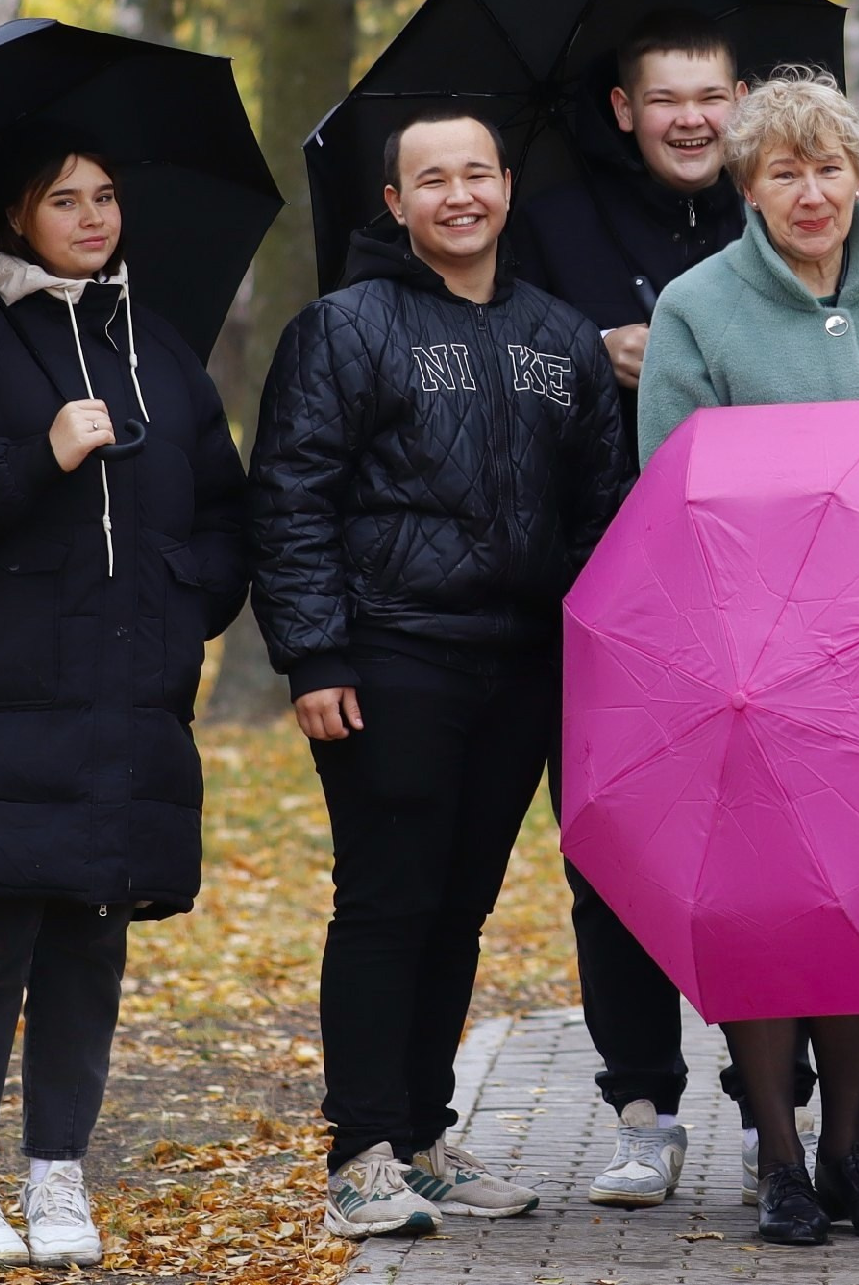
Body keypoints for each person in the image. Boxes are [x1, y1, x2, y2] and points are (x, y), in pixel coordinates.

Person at [0, 124, 250, 1268]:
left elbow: (224, 507)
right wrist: (38, 455)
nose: (92, 218)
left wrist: (187, 599)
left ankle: (59, 1176)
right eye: (63, 200)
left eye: (106, 196)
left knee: (92, 936)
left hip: (127, 696)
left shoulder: (158, 350)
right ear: (16, 217)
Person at [248, 112, 626, 1244]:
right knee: (386, 902)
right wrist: (314, 653)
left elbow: (604, 512)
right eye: (432, 179)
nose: (458, 195)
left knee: (459, 906)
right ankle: (360, 1152)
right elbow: (291, 497)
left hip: (518, 668)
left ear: (508, 186)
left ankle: (423, 1135)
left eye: (476, 174)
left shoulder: (560, 339)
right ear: (394, 201)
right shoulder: (344, 330)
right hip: (390, 658)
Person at [637, 68, 859, 1247]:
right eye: (783, 171)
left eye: (829, 167)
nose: (810, 191)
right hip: (755, 661)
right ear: (747, 184)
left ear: (858, 176)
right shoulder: (698, 305)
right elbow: (672, 487)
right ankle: (781, 1159)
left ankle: (846, 1150)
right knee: (765, 911)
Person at [502, 11, 783, 1208]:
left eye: (711, 94)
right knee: (614, 856)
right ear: (623, 109)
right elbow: (496, 361)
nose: (691, 118)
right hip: (603, 595)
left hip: (759, 597)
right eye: (665, 97)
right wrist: (587, 353)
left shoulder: (777, 213)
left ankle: (781, 1110)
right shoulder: (553, 226)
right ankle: (642, 1107)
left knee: (766, 854)